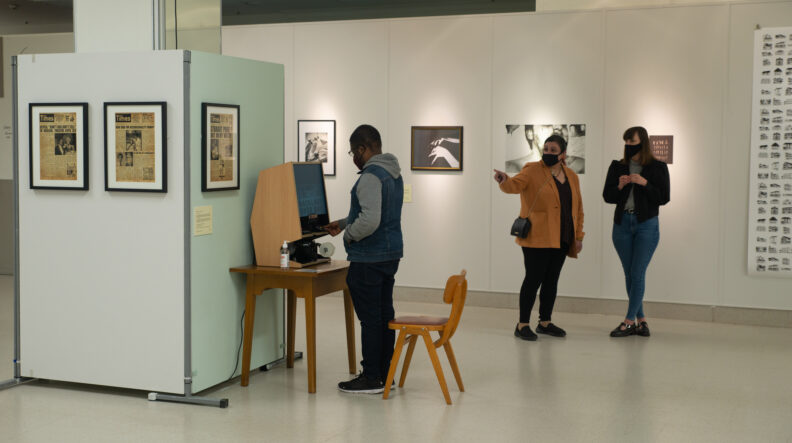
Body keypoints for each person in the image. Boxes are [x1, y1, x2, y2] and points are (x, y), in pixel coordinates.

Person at [324, 124, 404, 394]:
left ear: (362, 149)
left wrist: (348, 236)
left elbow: (370, 220)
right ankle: (385, 374)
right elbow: (374, 211)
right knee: (384, 316)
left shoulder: (370, 176)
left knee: (370, 319)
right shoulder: (393, 173)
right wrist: (343, 223)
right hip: (390, 255)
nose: (353, 158)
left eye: (352, 152)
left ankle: (370, 377)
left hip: (368, 258)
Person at [493, 134, 585, 341]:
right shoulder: (532, 169)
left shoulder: (572, 176)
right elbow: (514, 185)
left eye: (553, 150)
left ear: (563, 154)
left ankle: (545, 322)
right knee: (533, 279)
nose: (548, 153)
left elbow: (578, 208)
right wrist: (504, 180)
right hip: (537, 236)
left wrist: (579, 236)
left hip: (562, 236)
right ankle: (522, 324)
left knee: (552, 280)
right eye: (546, 149)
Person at [602, 126, 670, 337]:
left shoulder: (657, 167)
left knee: (637, 273)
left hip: (646, 225)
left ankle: (628, 322)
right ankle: (641, 321)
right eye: (626, 142)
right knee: (630, 274)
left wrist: (645, 183)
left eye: (633, 141)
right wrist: (619, 186)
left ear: (643, 142)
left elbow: (663, 197)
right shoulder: (617, 166)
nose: (629, 145)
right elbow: (607, 196)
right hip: (622, 224)